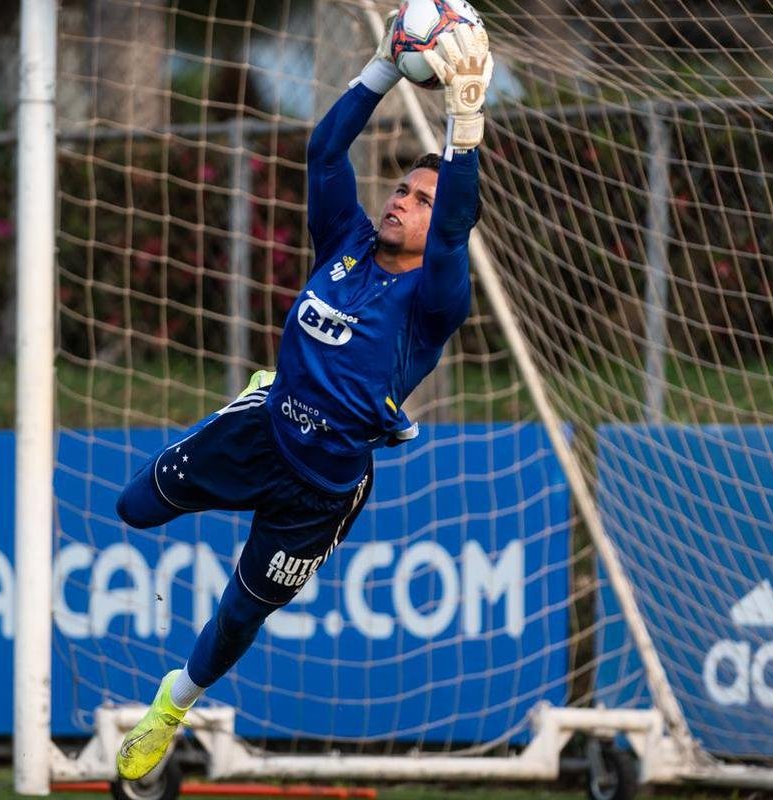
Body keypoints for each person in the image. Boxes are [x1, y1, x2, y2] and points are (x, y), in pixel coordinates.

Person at [113, 16, 493, 782]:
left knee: (241, 615)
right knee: (134, 508)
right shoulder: (345, 243)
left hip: (320, 491)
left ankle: (170, 707)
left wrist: (464, 120)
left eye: (419, 199)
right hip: (261, 428)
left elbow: (453, 226)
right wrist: (382, 67)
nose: (400, 203)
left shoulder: (434, 298)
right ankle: (260, 394)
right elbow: (323, 152)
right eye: (399, 189)